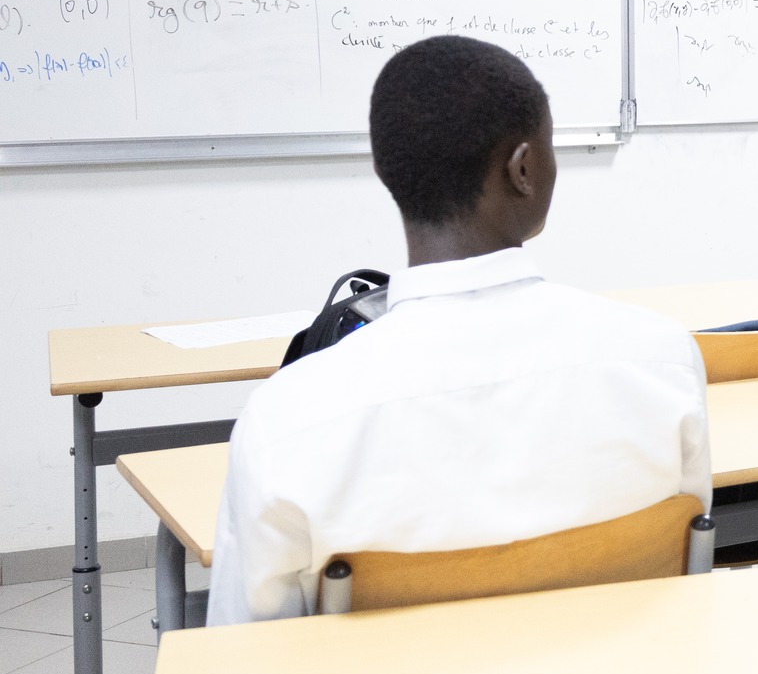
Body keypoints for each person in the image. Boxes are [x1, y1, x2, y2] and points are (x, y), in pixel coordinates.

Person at [208, 35, 712, 624]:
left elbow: (244, 657)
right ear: (524, 169)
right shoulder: (662, 363)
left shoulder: (287, 420)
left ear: (384, 169)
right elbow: (684, 569)